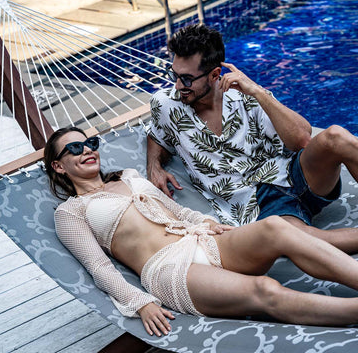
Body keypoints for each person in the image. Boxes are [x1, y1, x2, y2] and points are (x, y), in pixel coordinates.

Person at [45, 126, 358, 337]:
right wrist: (140, 302)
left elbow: (178, 212)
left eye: (90, 143)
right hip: (169, 269)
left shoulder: (127, 176)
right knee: (265, 289)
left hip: (201, 240)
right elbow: (98, 267)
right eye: (74, 148)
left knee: (275, 227)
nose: (86, 149)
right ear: (58, 166)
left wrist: (205, 222)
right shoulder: (70, 212)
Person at [147, 23, 358, 254]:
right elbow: (156, 135)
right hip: (257, 205)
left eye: (186, 79)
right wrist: (154, 165)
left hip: (292, 174)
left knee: (335, 136)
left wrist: (258, 92)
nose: (178, 85)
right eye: (174, 75)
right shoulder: (166, 105)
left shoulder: (244, 95)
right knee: (302, 240)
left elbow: (302, 140)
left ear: (215, 75)